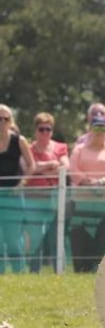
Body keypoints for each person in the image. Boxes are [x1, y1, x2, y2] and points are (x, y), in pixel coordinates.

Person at [67, 113, 105, 272]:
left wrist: (104, 181)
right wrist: (88, 181)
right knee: (81, 236)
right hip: (82, 203)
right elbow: (73, 171)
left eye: (103, 127)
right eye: (96, 126)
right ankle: (81, 269)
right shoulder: (79, 149)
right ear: (90, 129)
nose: (100, 131)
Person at [24, 112, 68, 272]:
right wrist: (50, 164)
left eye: (48, 129)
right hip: (33, 198)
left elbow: (64, 167)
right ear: (36, 130)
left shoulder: (60, 147)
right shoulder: (28, 148)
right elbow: (28, 167)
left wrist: (39, 169)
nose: (45, 133)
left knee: (56, 236)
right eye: (41, 129)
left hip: (55, 198)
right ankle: (34, 272)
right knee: (35, 237)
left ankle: (60, 272)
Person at [0, 104, 36, 273]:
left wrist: (21, 184)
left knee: (13, 238)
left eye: (5, 119)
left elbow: (31, 165)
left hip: (13, 196)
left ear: (10, 121)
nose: (1, 122)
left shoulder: (19, 141)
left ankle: (19, 272)